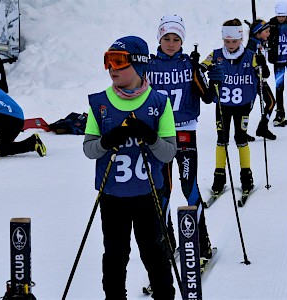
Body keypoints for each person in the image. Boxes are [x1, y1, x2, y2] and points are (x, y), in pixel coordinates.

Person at [83, 36, 177, 300]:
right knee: (115, 254)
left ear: (138, 64)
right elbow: (89, 150)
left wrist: (150, 136)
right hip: (112, 196)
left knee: (154, 253)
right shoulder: (99, 103)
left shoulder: (158, 103)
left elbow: (169, 153)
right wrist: (107, 140)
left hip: (148, 195)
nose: (112, 68)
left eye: (119, 61)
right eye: (108, 61)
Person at [147, 15, 222, 261]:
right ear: (159, 38)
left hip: (185, 132)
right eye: (166, 38)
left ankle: (201, 242)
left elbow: (209, 97)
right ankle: (166, 244)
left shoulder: (190, 64)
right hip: (159, 137)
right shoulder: (149, 66)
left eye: (176, 39)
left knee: (189, 186)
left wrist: (214, 79)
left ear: (183, 41)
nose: (171, 43)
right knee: (163, 189)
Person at [201, 18, 264, 196]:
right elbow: (201, 67)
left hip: (242, 106)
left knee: (241, 138)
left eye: (234, 41)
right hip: (222, 105)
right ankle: (219, 178)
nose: (230, 45)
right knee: (221, 139)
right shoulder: (216, 55)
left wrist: (261, 64)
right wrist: (196, 64)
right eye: (227, 41)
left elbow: (263, 73)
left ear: (241, 39)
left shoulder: (250, 55)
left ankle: (246, 177)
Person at [245, 19, 277, 140]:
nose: (269, 34)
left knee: (270, 102)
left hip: (260, 79)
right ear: (258, 33)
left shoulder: (259, 43)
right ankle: (241, 131)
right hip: (253, 80)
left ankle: (262, 127)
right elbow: (249, 62)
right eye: (266, 32)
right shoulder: (252, 45)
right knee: (248, 106)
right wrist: (260, 69)